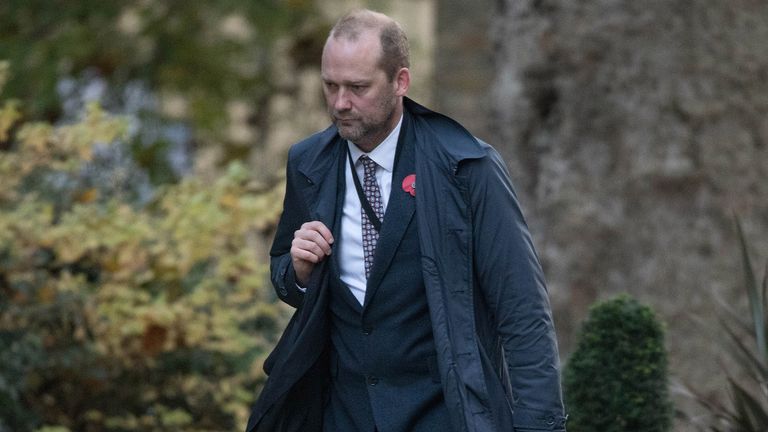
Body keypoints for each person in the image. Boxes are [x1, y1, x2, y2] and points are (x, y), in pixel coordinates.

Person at [246, 9, 567, 432]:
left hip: (446, 414)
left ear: (400, 81)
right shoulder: (307, 162)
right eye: (330, 85)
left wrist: (539, 426)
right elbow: (285, 273)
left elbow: (522, 310)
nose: (340, 102)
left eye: (358, 87)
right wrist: (299, 270)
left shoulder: (468, 167)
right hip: (340, 414)